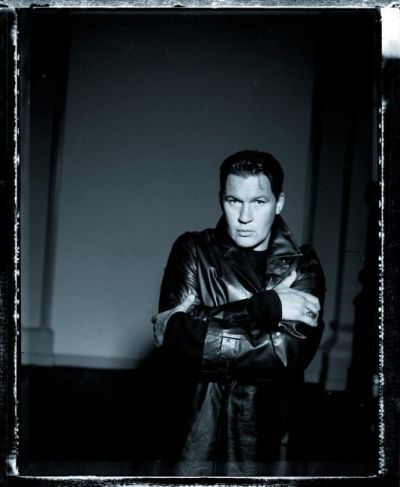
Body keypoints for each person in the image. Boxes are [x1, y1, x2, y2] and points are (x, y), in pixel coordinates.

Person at [152, 150, 325, 476]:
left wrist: (196, 327)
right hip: (194, 436)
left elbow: (284, 353)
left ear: (279, 203)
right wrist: (264, 307)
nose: (245, 216)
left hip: (264, 441)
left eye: (259, 202)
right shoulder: (192, 250)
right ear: (222, 199)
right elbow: (176, 340)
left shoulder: (302, 268)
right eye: (234, 201)